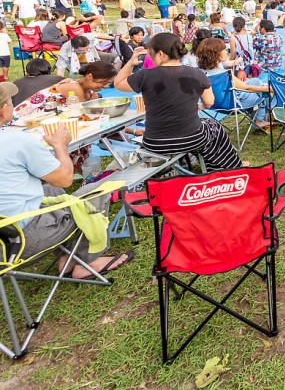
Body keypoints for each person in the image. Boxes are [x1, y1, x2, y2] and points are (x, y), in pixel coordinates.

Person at [0, 82, 133, 280]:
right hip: (20, 239)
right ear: (4, 109)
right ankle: (88, 262)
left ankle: (68, 256)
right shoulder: (17, 141)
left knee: (52, 193)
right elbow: (64, 179)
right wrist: (60, 145)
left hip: (4, 236)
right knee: (97, 191)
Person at [115, 33, 243, 171]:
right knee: (213, 126)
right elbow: (210, 102)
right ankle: (226, 166)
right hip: (192, 138)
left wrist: (131, 62)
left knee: (208, 128)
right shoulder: (196, 73)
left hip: (154, 141)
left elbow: (118, 83)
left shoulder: (145, 75)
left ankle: (202, 164)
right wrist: (200, 106)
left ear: (160, 54)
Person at [195, 38, 271, 130]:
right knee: (262, 93)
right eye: (224, 49)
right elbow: (246, 87)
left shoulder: (199, 73)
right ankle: (259, 121)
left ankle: (260, 117)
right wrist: (269, 88)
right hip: (234, 104)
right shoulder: (223, 74)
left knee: (256, 81)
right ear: (217, 53)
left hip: (213, 104)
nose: (226, 51)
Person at [13, 61, 117, 121]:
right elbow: (83, 116)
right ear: (90, 76)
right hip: (23, 120)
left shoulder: (90, 93)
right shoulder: (74, 87)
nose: (106, 86)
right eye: (103, 82)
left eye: (109, 83)